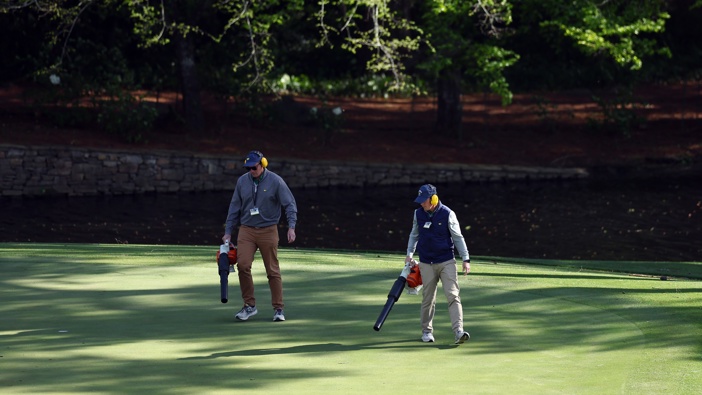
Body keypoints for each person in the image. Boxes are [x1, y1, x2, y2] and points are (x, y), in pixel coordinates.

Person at [222, 150, 298, 322]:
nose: (251, 171)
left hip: (268, 229)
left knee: (272, 270)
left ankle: (278, 308)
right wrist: (228, 232)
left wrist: (291, 227)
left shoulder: (276, 181)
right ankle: (249, 306)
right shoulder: (242, 181)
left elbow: (290, 204)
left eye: (254, 167)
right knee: (243, 265)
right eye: (248, 168)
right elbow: (234, 207)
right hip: (246, 230)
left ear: (263, 164)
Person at [405, 184, 471, 344]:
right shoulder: (418, 214)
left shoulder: (448, 213)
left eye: (424, 200)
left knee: (453, 296)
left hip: (446, 261)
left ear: (433, 198)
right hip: (426, 262)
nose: (421, 203)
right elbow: (414, 234)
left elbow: (457, 237)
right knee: (428, 298)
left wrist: (465, 258)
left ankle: (458, 332)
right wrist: (409, 254)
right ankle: (426, 332)